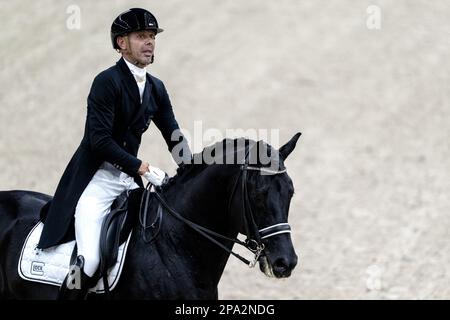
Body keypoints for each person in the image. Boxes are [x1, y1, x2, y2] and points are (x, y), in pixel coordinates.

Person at [36, 8, 191, 299]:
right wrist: (143, 168)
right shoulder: (107, 82)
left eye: (152, 37)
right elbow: (100, 141)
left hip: (127, 183)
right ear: (121, 43)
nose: (149, 42)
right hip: (94, 181)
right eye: (141, 36)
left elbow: (173, 134)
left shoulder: (156, 88)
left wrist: (193, 169)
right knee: (90, 260)